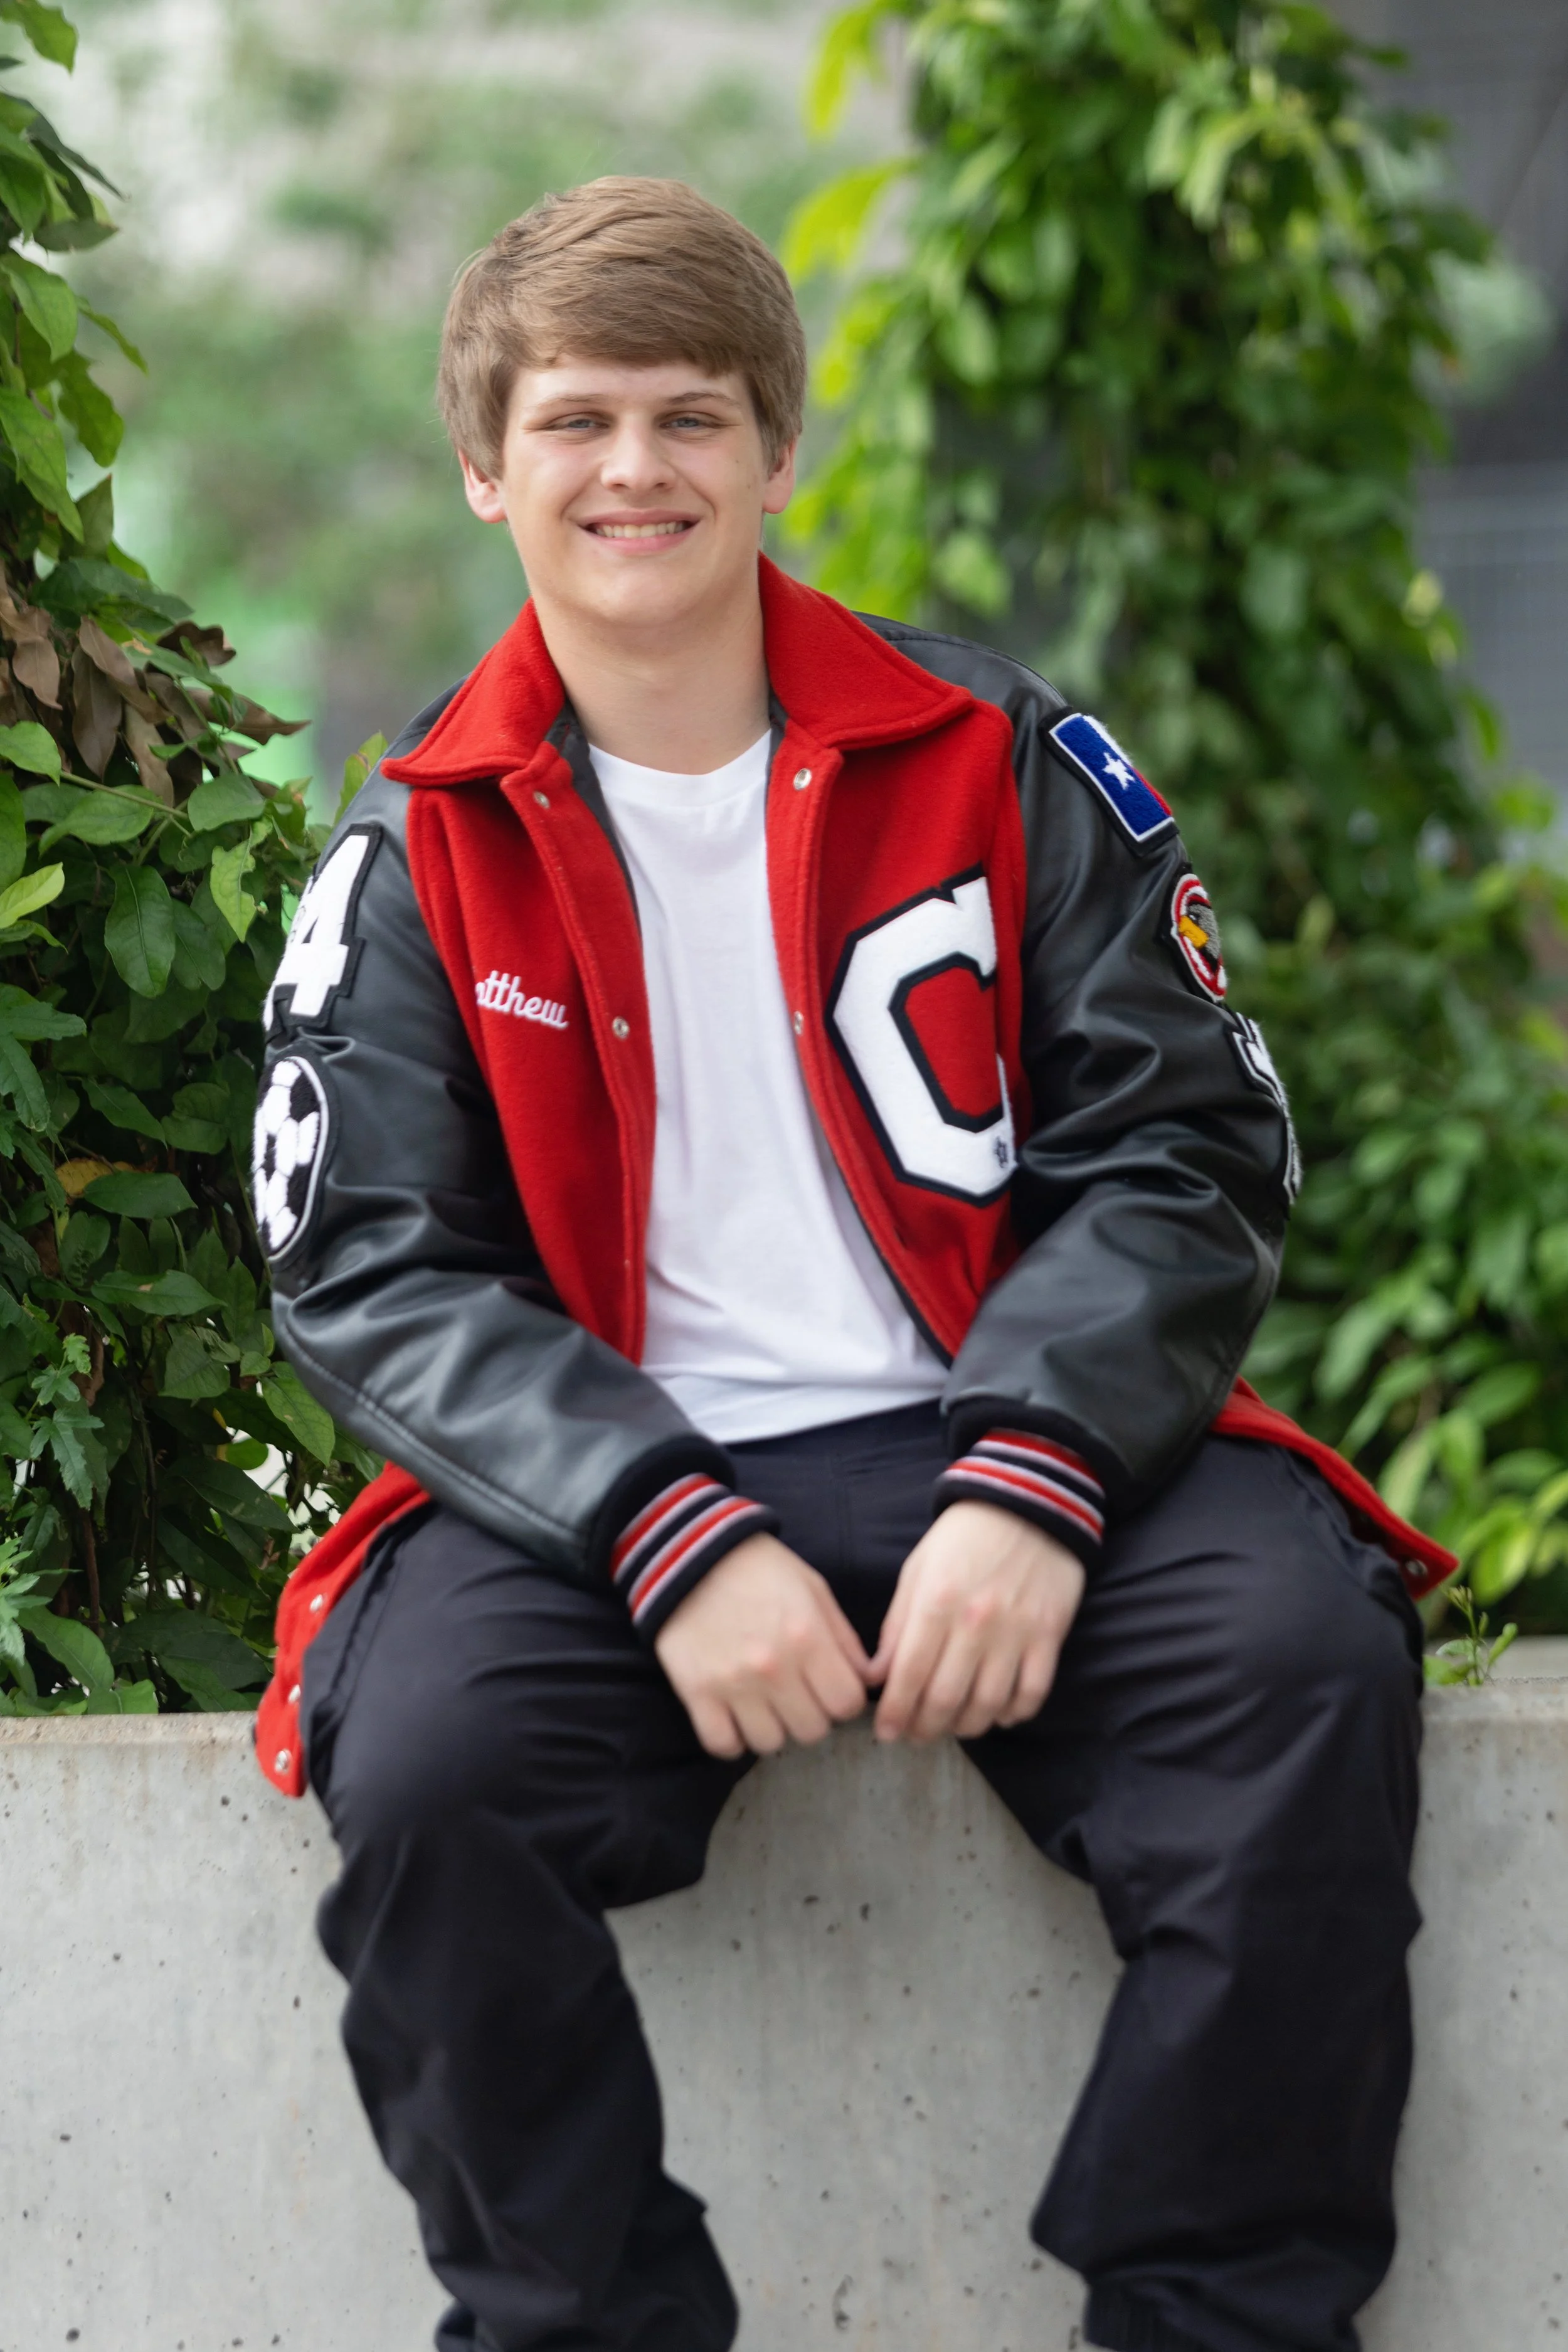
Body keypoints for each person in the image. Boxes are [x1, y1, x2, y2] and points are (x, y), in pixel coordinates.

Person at [252, 177, 1451, 2352]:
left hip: (1005, 1420)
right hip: (624, 1477)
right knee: (427, 1777)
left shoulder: (1001, 756)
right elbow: (368, 1261)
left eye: (694, 416)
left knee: (1295, 1676)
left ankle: (1217, 2317)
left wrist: (1035, 1473)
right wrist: (664, 1526)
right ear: (483, 465)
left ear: (777, 451)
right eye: (578, 421)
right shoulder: (414, 846)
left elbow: (1186, 1146)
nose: (637, 470)